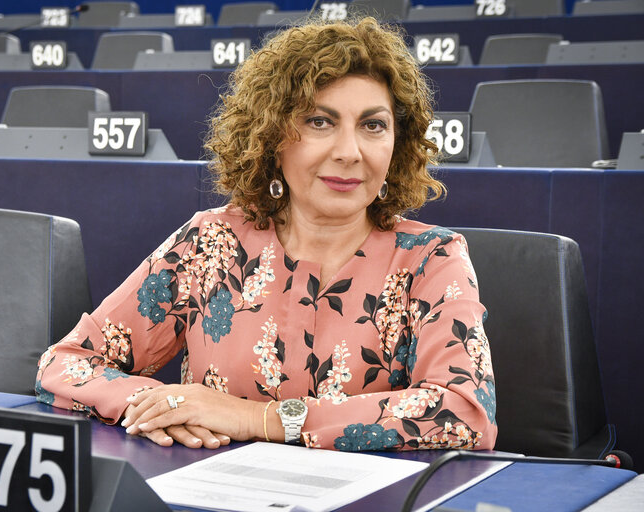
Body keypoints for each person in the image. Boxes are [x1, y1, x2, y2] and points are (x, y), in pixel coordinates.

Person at [35, 17, 497, 452]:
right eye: (320, 121)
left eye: (373, 125)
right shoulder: (211, 242)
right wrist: (164, 407)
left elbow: (465, 413)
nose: (349, 152)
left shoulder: (432, 258)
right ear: (272, 135)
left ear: (398, 145)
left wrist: (259, 419)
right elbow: (65, 362)